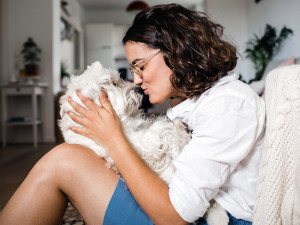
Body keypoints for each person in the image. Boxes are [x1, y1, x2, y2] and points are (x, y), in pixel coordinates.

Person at [0, 4, 265, 225]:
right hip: (197, 212)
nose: (136, 80)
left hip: (213, 219)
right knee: (70, 157)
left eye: (140, 66)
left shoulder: (228, 103)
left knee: (63, 161)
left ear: (177, 49)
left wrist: (114, 138)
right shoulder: (197, 101)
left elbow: (175, 216)